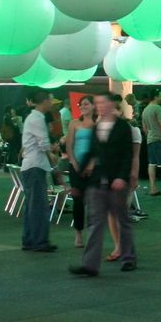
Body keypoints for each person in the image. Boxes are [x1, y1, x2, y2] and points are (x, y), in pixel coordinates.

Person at [70, 93, 137, 276]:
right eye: (97, 103)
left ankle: (128, 258)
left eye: (102, 102)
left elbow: (127, 154)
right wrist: (78, 177)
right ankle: (90, 265)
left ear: (111, 104)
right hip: (97, 181)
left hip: (116, 181)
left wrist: (122, 177)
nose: (99, 105)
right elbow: (91, 153)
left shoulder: (123, 127)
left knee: (122, 220)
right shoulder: (96, 127)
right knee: (95, 223)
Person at [19, 90, 58, 253]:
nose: (52, 103)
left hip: (30, 166)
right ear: (44, 101)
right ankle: (40, 241)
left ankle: (29, 239)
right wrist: (51, 154)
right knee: (39, 206)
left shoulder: (31, 117)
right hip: (36, 166)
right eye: (50, 100)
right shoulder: (38, 118)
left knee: (31, 205)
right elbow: (43, 143)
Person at [63, 95, 96, 249]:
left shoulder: (98, 124)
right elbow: (69, 145)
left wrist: (92, 164)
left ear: (93, 106)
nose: (83, 107)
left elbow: (99, 147)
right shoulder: (74, 123)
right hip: (76, 166)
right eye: (80, 104)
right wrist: (75, 164)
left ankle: (92, 233)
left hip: (93, 167)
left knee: (93, 201)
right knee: (78, 201)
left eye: (86, 104)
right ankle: (78, 233)